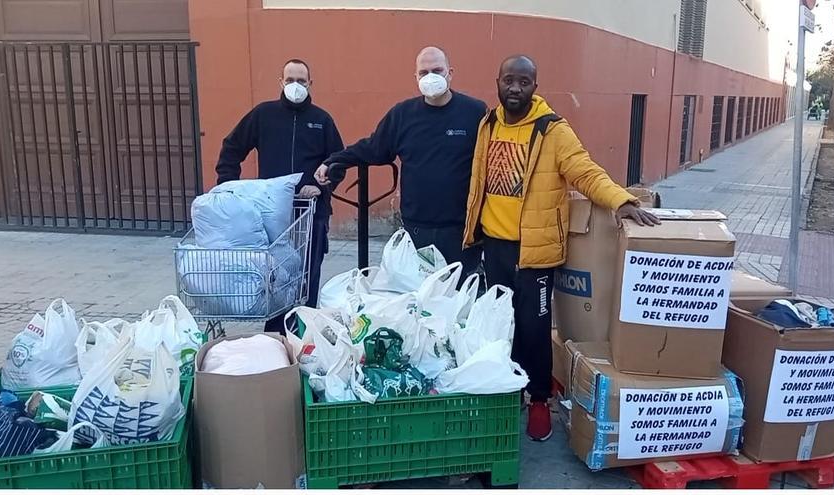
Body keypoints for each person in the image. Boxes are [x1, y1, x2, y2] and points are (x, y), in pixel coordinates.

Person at [463, 55, 660, 441]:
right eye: (509, 81)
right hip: (494, 246)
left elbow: (584, 172)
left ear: (535, 86)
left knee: (535, 330)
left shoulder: (553, 131)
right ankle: (506, 393)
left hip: (534, 253)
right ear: (498, 82)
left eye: (523, 82)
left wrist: (621, 201)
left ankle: (539, 398)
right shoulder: (487, 124)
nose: (515, 88)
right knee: (498, 326)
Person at [315, 46, 487, 279]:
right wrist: (335, 160)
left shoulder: (475, 112)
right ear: (415, 77)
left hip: (461, 231)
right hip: (417, 229)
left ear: (450, 73)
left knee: (458, 302)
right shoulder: (403, 114)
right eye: (424, 72)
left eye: (437, 70)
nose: (431, 77)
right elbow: (374, 148)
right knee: (418, 301)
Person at [215, 58, 343, 331]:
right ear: (280, 82)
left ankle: (304, 336)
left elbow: (338, 162)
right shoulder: (263, 115)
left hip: (311, 213)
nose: (295, 85)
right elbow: (232, 147)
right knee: (276, 276)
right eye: (290, 80)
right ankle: (274, 337)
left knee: (308, 277)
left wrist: (320, 187)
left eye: (301, 80)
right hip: (273, 215)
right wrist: (229, 187)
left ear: (311, 84)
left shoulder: (322, 120)